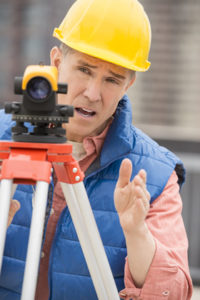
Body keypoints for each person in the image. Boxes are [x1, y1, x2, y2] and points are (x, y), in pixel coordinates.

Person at [0, 0, 193, 299]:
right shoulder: (3, 139)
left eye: (111, 79)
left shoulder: (155, 175)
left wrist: (137, 233)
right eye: (84, 70)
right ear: (56, 62)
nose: (92, 93)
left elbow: (174, 292)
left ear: (128, 84)